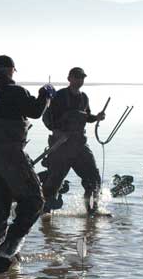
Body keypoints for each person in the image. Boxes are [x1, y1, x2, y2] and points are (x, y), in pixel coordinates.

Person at [0, 55, 53, 257]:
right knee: (34, 201)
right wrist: (45, 95)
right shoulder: (15, 91)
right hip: (12, 156)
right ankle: (8, 249)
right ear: (10, 71)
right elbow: (35, 111)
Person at [40, 67, 106, 215]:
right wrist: (59, 131)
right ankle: (44, 212)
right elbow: (48, 119)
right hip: (61, 146)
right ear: (69, 78)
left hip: (80, 146)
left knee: (94, 179)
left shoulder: (84, 97)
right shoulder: (59, 96)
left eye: (82, 78)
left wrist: (97, 117)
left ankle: (93, 211)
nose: (79, 80)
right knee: (53, 184)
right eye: (76, 77)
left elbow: (87, 117)